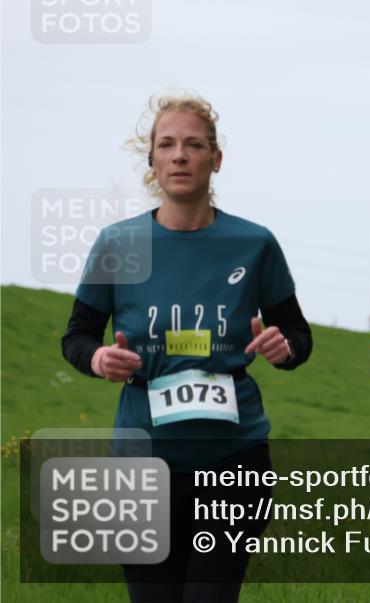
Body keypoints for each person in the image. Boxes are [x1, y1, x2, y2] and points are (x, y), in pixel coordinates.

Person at [61, 94, 313, 603]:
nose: (180, 156)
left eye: (194, 145)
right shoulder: (119, 243)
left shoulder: (254, 243)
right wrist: (97, 358)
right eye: (167, 145)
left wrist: (284, 348)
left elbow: (298, 336)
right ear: (151, 158)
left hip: (234, 459)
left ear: (214, 159)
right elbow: (76, 336)